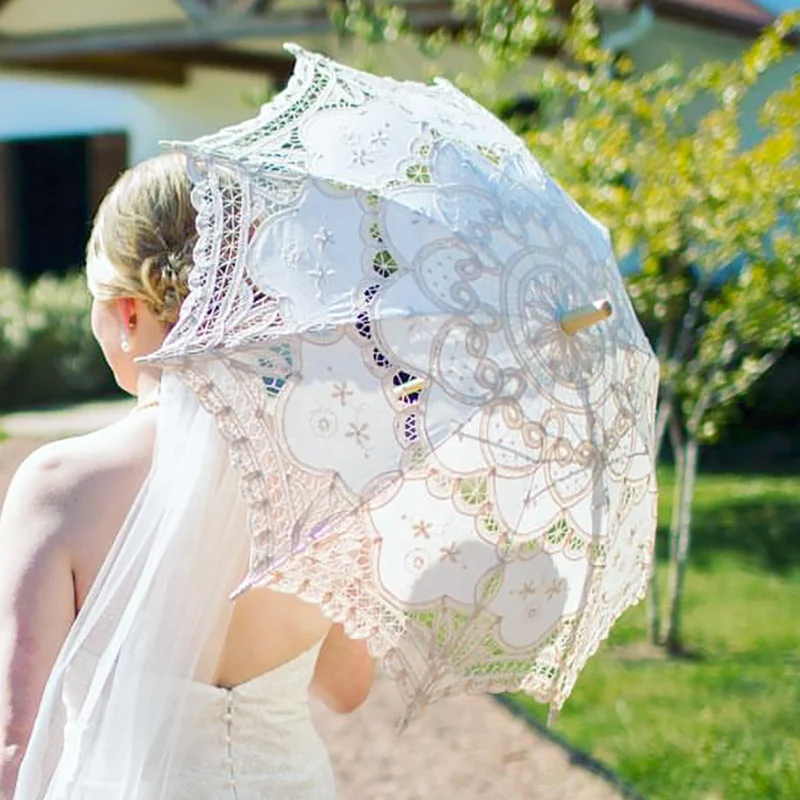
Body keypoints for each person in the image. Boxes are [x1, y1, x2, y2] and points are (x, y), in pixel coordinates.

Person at [0, 152, 374, 799]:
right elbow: (347, 688)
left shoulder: (60, 484)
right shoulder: (328, 472)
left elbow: (17, 741)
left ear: (126, 311)